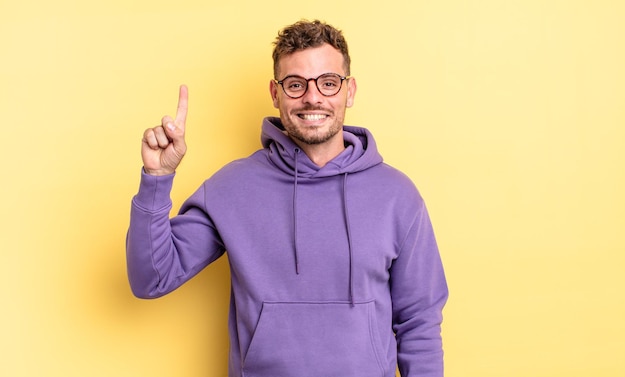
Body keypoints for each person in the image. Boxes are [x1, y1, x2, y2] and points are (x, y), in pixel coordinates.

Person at [127, 19, 448, 377]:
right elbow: (151, 279)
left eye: (328, 83)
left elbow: (419, 323)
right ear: (276, 93)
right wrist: (157, 178)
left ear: (350, 90)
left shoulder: (396, 196)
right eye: (296, 85)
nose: (313, 97)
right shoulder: (233, 187)